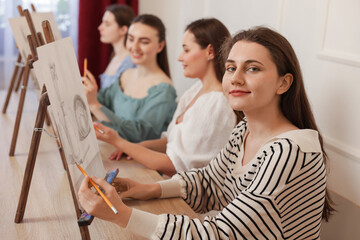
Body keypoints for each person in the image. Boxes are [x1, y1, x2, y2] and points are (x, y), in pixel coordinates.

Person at [78, 26, 334, 239]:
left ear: (284, 83)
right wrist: (147, 188)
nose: (235, 78)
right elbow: (209, 181)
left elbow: (222, 235)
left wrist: (120, 214)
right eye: (231, 68)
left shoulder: (289, 151)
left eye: (252, 68)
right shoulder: (245, 129)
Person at [94, 18, 237, 176]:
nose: (180, 57)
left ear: (210, 52)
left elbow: (177, 166)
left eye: (187, 50)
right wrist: (132, 147)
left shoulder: (216, 104)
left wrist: (119, 141)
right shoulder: (195, 90)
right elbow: (170, 141)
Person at [83, 14, 177, 143]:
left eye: (144, 42)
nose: (135, 47)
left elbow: (140, 135)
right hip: (112, 151)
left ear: (160, 46)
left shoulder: (164, 89)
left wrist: (94, 105)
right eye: (131, 39)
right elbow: (101, 101)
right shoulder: (124, 75)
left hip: (135, 161)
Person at [97, 4, 136, 89]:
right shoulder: (115, 57)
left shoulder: (129, 62)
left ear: (123, 30)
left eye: (107, 24)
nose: (100, 28)